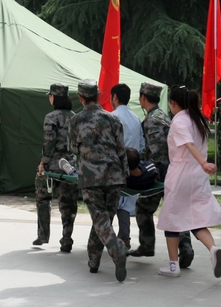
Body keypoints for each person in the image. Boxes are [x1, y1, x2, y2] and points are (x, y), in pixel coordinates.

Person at [156, 85, 221, 278]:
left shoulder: (179, 121)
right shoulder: (197, 119)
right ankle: (213, 249)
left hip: (182, 174)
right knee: (195, 218)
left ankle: (173, 265)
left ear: (172, 103)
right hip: (198, 176)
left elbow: (188, 144)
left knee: (171, 218)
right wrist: (202, 164)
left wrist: (204, 162)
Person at [67, 79, 129, 282]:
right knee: (104, 220)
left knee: (100, 219)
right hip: (114, 176)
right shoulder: (112, 118)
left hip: (91, 177)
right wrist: (124, 174)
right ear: (98, 95)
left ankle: (116, 249)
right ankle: (94, 261)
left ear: (80, 97)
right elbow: (121, 149)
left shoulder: (76, 121)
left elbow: (72, 148)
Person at [130, 82, 195, 269]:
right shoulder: (162, 115)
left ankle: (147, 245)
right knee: (176, 211)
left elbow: (158, 153)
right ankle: (185, 248)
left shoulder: (153, 120)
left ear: (143, 97)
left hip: (163, 174)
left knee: (143, 207)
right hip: (174, 171)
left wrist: (153, 176)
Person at [34, 83, 77, 252]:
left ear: (54, 97)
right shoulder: (74, 117)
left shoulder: (50, 117)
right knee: (68, 204)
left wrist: (43, 163)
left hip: (51, 166)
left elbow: (49, 142)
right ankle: (67, 239)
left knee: (42, 199)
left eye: (50, 96)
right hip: (69, 167)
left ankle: (43, 235)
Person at [110, 83, 145, 249]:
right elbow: (142, 145)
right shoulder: (136, 118)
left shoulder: (111, 117)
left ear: (115, 97)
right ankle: (124, 237)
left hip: (115, 168)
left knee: (111, 204)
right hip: (133, 168)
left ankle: (109, 237)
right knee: (124, 204)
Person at [116, 147, 158, 250]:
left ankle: (122, 238)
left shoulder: (123, 178)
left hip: (123, 195)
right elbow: (153, 169)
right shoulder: (150, 171)